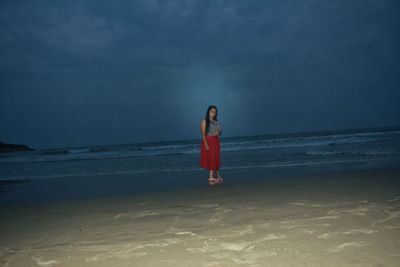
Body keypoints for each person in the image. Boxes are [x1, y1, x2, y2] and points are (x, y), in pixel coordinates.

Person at [200, 105, 224, 186]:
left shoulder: (217, 121)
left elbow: (219, 132)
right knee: (211, 158)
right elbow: (203, 134)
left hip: (216, 140)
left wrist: (219, 132)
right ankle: (210, 177)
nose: (213, 113)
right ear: (208, 112)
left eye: (215, 112)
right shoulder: (204, 121)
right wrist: (206, 144)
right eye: (212, 111)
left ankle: (217, 174)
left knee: (216, 157)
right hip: (208, 140)